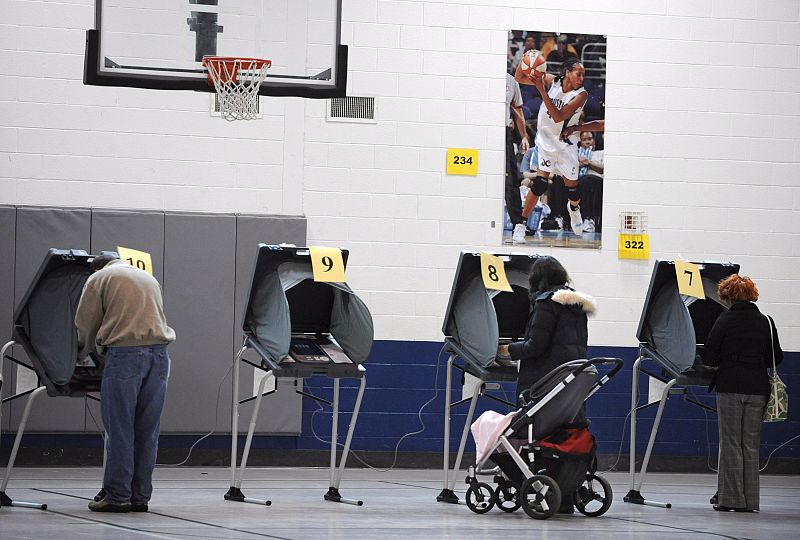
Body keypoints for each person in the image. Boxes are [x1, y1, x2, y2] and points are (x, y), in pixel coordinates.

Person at [75, 252, 176, 513]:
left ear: (96, 267)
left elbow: (85, 326)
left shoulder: (98, 279)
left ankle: (117, 496)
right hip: (160, 355)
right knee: (147, 431)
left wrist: (78, 354)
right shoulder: (148, 278)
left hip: (126, 356)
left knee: (120, 429)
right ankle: (139, 497)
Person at [497, 256, 596, 513]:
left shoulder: (545, 303)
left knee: (537, 433)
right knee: (562, 433)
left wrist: (508, 350)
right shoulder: (576, 305)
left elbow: (535, 345)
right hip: (569, 381)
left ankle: (542, 488)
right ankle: (565, 494)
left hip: (543, 380)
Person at [701, 274, 782, 513]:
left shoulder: (725, 319)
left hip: (730, 387)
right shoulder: (766, 321)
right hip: (758, 388)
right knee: (750, 445)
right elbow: (776, 357)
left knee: (730, 444)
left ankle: (731, 500)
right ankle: (750, 502)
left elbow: (710, 357)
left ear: (727, 296)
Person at [516, 56, 587, 235]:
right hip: (546, 143)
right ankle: (521, 224)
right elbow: (520, 78)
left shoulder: (581, 95)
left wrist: (541, 90)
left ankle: (574, 209)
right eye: (578, 74)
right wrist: (525, 63)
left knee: (573, 190)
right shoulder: (554, 80)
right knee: (539, 184)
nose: (581, 78)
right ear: (568, 73)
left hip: (565, 146)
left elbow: (558, 116)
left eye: (583, 75)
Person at [506, 72, 531, 244]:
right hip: (482, 132)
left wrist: (523, 136)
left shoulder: (510, 81)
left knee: (511, 179)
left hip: (505, 132)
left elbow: (518, 109)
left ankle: (517, 225)